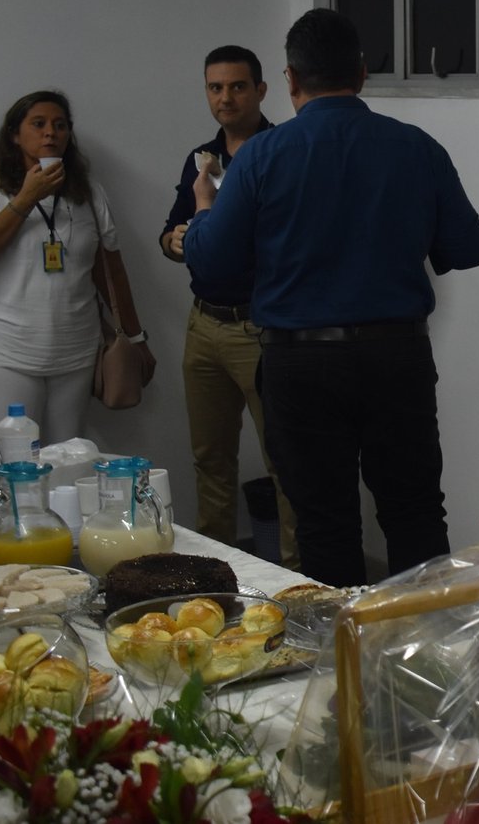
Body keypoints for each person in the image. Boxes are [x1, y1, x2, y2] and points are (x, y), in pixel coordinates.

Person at [182, 9, 479, 586]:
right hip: (397, 357)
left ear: (291, 79)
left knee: (324, 524)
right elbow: (468, 248)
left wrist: (203, 210)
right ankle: (427, 639)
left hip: (301, 363)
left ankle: (339, 640)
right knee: (416, 511)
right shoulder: (416, 148)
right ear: (362, 73)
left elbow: (212, 261)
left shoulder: (261, 156)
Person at [160, 46, 299, 568]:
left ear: (261, 90)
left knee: (285, 463)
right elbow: (173, 229)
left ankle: (295, 579)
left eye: (237, 86)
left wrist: (210, 227)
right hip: (204, 323)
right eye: (215, 88)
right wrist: (174, 241)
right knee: (210, 460)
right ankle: (213, 576)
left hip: (260, 327)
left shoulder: (282, 151)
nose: (225, 98)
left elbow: (281, 239)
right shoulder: (203, 157)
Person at [0, 91, 155, 441]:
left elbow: (111, 272)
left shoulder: (87, 191)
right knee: (15, 459)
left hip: (76, 352)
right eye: (38, 124)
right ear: (14, 134)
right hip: (5, 351)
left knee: (69, 458)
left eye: (59, 125)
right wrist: (27, 197)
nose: (50, 133)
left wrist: (136, 338)